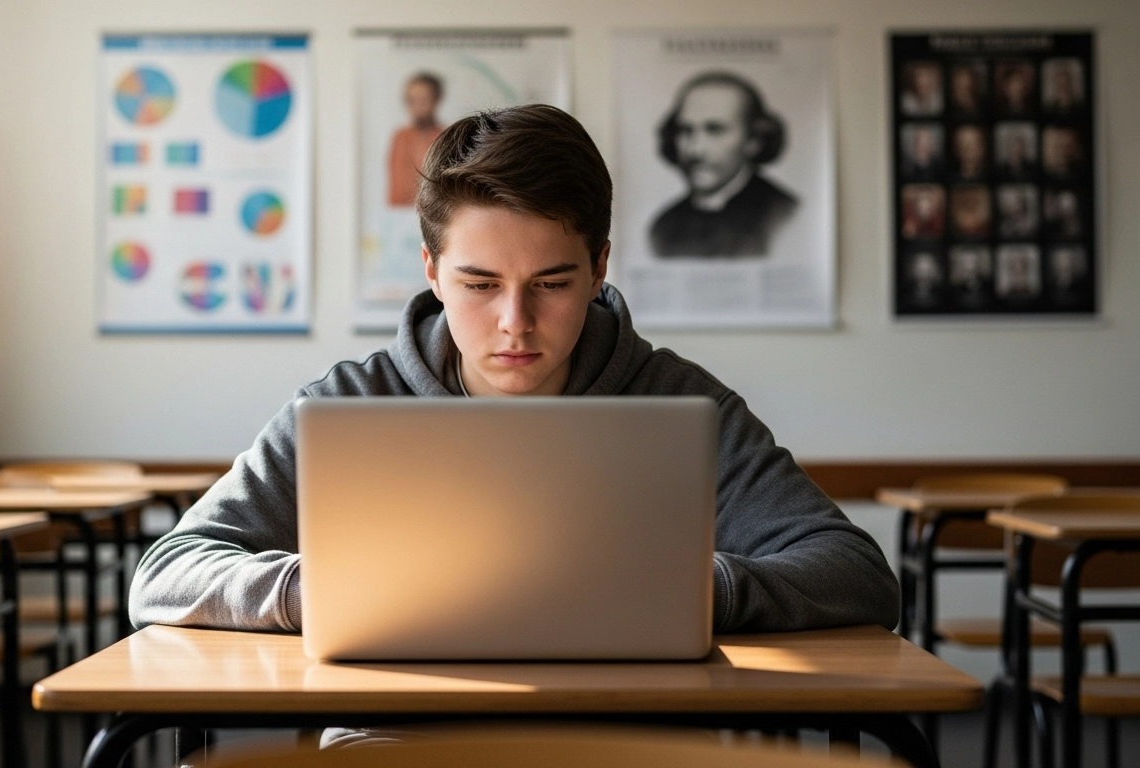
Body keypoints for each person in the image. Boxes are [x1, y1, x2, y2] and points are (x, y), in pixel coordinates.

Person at [131, 104, 899, 645]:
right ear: (431, 270)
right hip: (397, 733)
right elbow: (165, 572)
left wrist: (697, 591)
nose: (515, 321)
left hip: (634, 733)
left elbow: (858, 574)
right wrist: (333, 590)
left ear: (600, 266)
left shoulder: (681, 401)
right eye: (479, 284)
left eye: (554, 283)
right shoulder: (350, 403)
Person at [648, 72, 798, 257]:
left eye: (714, 130)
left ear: (753, 139)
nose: (696, 151)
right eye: (685, 131)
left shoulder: (786, 218)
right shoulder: (663, 227)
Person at [386, 72, 445, 207]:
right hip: (400, 218)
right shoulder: (400, 137)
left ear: (436, 100)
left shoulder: (445, 137)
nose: (417, 106)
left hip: (433, 215)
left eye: (423, 100)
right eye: (412, 100)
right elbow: (395, 183)